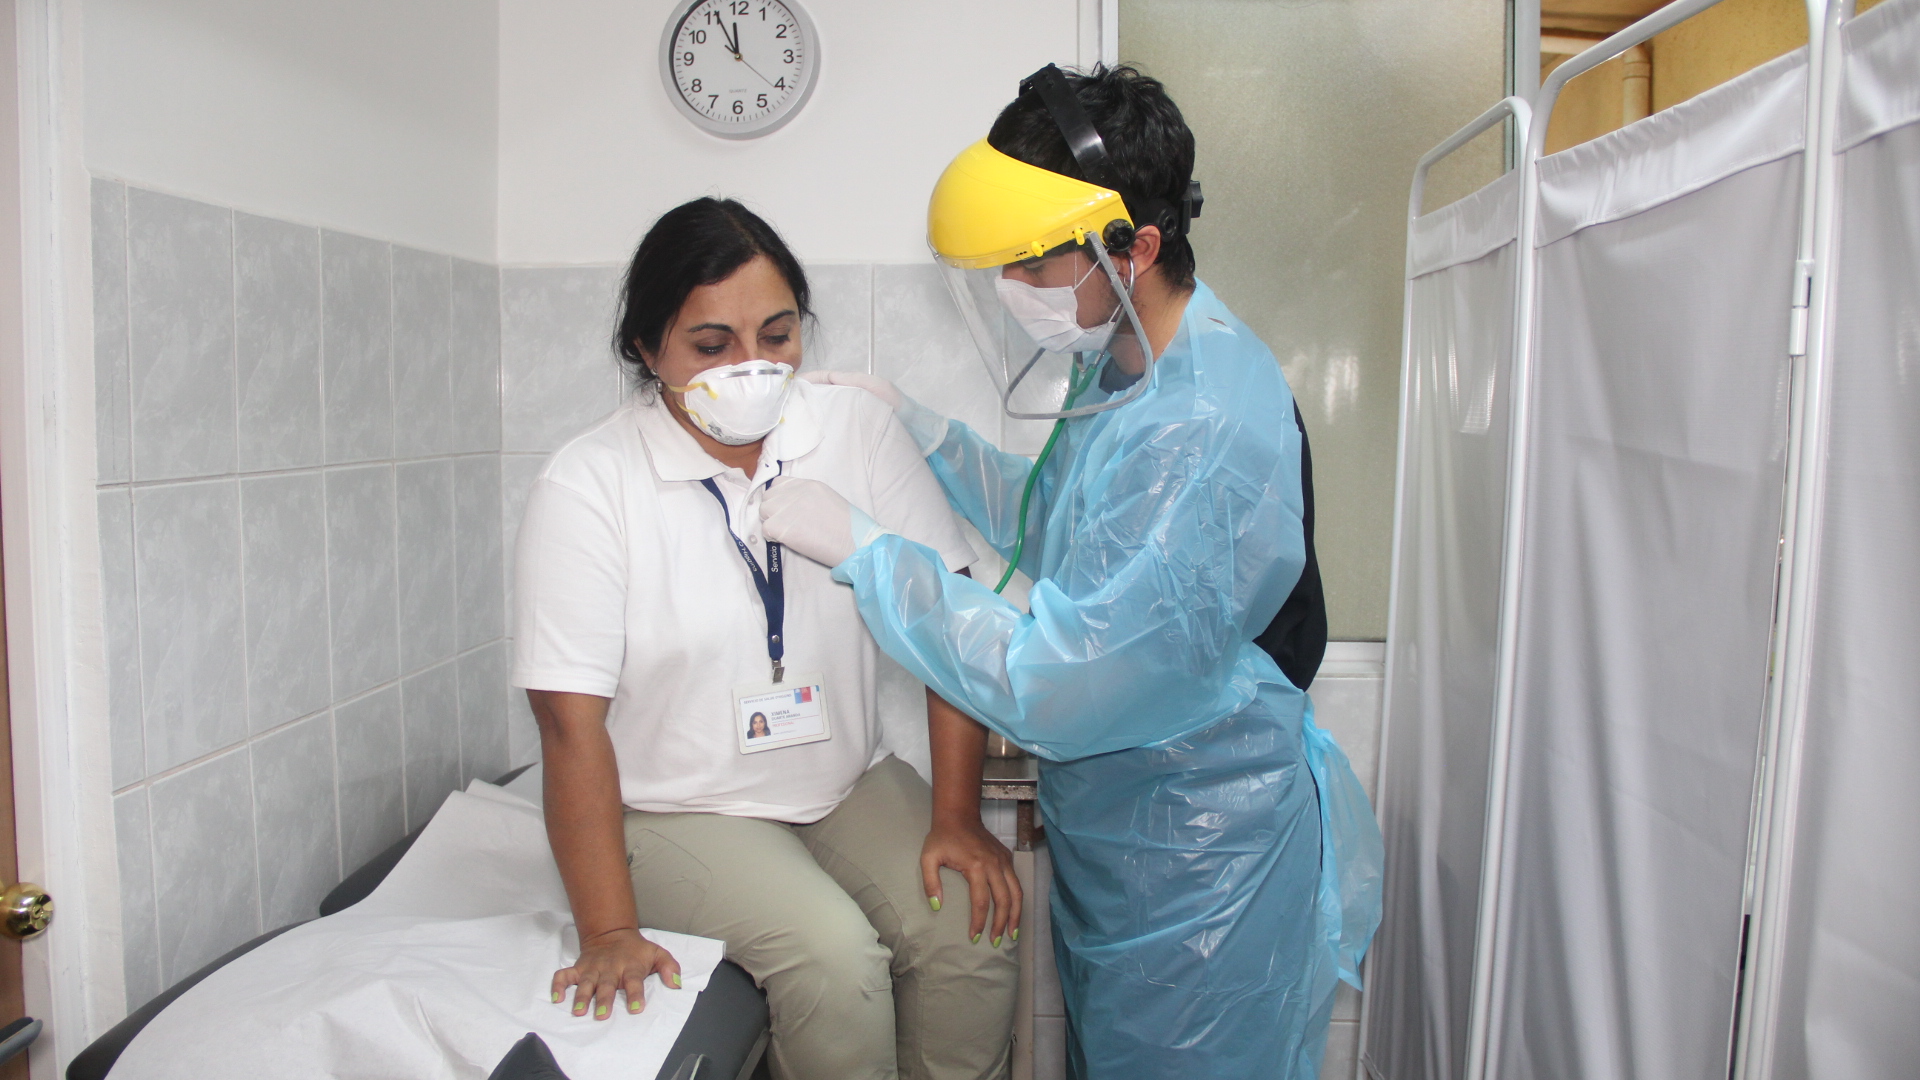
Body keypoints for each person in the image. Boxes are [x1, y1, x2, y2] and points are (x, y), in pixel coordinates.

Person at [762, 65, 1383, 1078]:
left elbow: (1063, 681)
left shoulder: (1206, 421)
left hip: (1202, 872)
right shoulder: (1125, 359)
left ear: (1135, 248)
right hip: (1134, 850)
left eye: (1035, 270)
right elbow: (1060, 519)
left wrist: (872, 559)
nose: (1015, 294)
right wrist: (918, 434)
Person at [512, 197, 1021, 1080]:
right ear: (648, 349)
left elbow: (947, 618)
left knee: (970, 931)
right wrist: (608, 931)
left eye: (778, 336)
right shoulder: (590, 483)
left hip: (844, 784)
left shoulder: (852, 431)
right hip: (681, 806)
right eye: (712, 346)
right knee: (836, 966)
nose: (752, 366)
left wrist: (955, 817)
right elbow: (568, 725)